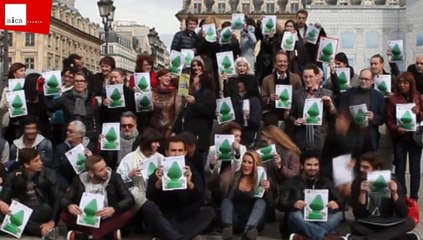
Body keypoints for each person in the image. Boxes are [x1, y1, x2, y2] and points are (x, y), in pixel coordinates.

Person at [146, 135, 215, 240]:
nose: (176, 154)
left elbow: (201, 197)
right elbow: (149, 196)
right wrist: (159, 182)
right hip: (165, 216)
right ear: (167, 152)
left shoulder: (191, 169)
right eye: (173, 150)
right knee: (148, 207)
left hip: (185, 216)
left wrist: (190, 183)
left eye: (180, 150)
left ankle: (172, 237)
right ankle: (176, 237)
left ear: (185, 153)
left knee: (209, 212)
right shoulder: (158, 170)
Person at [61, 155, 134, 240]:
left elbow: (129, 199)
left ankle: (89, 236)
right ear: (91, 174)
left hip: (107, 217)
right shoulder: (79, 179)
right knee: (64, 214)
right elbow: (64, 199)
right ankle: (107, 234)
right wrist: (69, 206)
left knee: (128, 213)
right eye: (101, 170)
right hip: (87, 218)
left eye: (105, 166)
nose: (106, 171)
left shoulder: (115, 177)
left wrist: (114, 208)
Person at [348, 152, 416, 240]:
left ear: (377, 169)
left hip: (390, 222)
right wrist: (362, 193)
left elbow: (403, 213)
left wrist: (394, 193)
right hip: (368, 222)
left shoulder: (392, 180)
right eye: (361, 166)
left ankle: (367, 239)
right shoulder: (358, 182)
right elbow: (358, 214)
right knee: (354, 225)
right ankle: (395, 237)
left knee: (409, 222)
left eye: (366, 167)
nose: (361, 170)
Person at [278, 151, 344, 240]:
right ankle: (324, 237)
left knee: (339, 214)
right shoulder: (292, 182)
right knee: (294, 214)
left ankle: (305, 237)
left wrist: (337, 203)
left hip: (319, 218)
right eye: (309, 165)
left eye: (316, 165)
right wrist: (293, 204)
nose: (313, 168)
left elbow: (341, 202)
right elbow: (280, 204)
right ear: (302, 166)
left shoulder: (325, 181)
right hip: (300, 221)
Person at [0, 148, 61, 239]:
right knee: (5, 213)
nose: (41, 163)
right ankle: (42, 231)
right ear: (27, 164)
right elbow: (5, 196)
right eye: (36, 161)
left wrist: (52, 221)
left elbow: (57, 198)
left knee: (46, 208)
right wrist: (1, 203)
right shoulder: (14, 176)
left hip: (41, 209)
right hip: (22, 210)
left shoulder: (49, 174)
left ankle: (9, 226)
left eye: (40, 159)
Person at [385, 72, 423, 200]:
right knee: (400, 168)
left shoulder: (419, 97)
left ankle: (414, 197)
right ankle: (401, 195)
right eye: (400, 82)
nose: (402, 85)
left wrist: (419, 112)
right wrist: (397, 129)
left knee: (415, 169)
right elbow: (388, 120)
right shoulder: (393, 99)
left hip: (415, 139)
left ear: (411, 84)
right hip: (400, 139)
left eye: (405, 83)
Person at [219, 151, 270, 240]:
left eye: (249, 162)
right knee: (226, 201)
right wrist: (225, 180)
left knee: (261, 202)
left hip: (252, 220)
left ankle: (248, 232)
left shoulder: (262, 180)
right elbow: (216, 189)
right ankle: (227, 229)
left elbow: (270, 204)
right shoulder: (235, 176)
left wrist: (267, 191)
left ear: (256, 165)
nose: (246, 165)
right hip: (233, 219)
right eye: (244, 161)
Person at [173, 57, 216, 160]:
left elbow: (209, 111)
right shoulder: (190, 92)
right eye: (193, 66)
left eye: (198, 65)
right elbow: (183, 112)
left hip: (200, 135)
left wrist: (194, 103)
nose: (195, 78)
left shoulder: (208, 93)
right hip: (187, 133)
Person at [288, 64, 336, 153]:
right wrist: (295, 121)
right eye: (305, 77)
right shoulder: (296, 94)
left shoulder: (327, 93)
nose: (307, 79)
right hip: (302, 138)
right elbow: (290, 115)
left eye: (310, 76)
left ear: (317, 77)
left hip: (321, 138)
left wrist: (331, 105)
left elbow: (334, 116)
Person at [338, 68, 386, 153]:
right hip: (351, 136)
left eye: (366, 79)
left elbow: (383, 117)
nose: (363, 81)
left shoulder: (378, 96)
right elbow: (341, 111)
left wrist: (373, 117)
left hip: (369, 138)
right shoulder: (349, 93)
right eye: (361, 78)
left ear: (373, 81)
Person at [47, 72, 100, 143]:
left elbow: (96, 120)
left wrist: (97, 134)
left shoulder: (92, 99)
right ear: (73, 83)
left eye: (82, 81)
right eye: (76, 81)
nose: (79, 83)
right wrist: (45, 90)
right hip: (70, 137)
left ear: (86, 83)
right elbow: (49, 107)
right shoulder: (66, 97)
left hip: (88, 138)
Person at [261, 52, 303, 126]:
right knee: (270, 121)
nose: (283, 64)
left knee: (292, 120)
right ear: (275, 64)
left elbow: (300, 96)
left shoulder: (296, 78)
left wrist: (290, 110)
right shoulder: (267, 79)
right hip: (272, 110)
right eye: (280, 61)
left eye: (285, 61)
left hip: (291, 110)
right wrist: (270, 99)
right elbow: (262, 99)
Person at [53, 120, 95, 191]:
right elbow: (55, 171)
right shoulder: (60, 148)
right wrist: (66, 187)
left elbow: (97, 170)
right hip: (66, 188)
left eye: (71, 131)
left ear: (80, 134)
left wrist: (91, 159)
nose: (67, 133)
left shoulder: (91, 147)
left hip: (87, 187)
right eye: (67, 131)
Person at [150, 69, 183, 138]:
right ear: (159, 77)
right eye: (166, 76)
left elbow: (178, 113)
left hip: (169, 130)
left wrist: (171, 128)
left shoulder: (175, 93)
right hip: (154, 129)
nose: (168, 78)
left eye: (170, 77)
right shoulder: (152, 92)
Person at [231, 75, 262, 147]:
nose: (238, 84)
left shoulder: (254, 100)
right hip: (234, 132)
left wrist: (248, 117)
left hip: (247, 135)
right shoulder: (236, 97)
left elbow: (256, 122)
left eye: (240, 82)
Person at [1, 62, 27, 141]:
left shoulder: (27, 87)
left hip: (24, 121)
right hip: (10, 123)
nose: (24, 73)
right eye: (21, 71)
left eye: (24, 71)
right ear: (14, 73)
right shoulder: (7, 89)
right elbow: (1, 108)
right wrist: (6, 104)